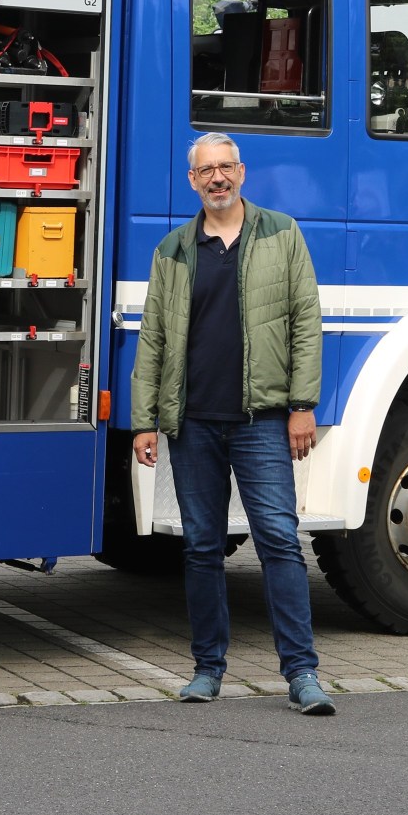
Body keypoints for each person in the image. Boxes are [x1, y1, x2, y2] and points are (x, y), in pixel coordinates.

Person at [130, 133, 335, 716]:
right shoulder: (173, 248)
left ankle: (302, 674)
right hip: (193, 422)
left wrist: (302, 404)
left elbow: (305, 321)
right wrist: (144, 421)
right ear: (191, 181)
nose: (216, 179)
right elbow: (154, 339)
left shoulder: (281, 233)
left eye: (225, 168)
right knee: (201, 547)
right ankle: (206, 669)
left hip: (263, 420)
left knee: (278, 542)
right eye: (205, 171)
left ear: (241, 173)